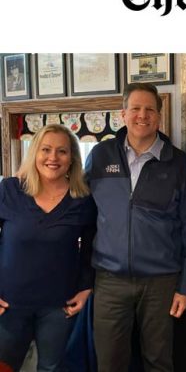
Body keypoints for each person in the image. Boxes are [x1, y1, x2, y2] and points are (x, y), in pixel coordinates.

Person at [85, 83, 186, 372]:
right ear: (123, 114)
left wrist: (185, 287)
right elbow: (81, 213)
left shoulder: (178, 162)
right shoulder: (100, 156)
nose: (142, 115)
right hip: (109, 279)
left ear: (159, 116)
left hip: (161, 282)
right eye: (135, 108)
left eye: (150, 109)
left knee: (159, 361)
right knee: (110, 362)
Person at [0, 124, 97, 371]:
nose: (53, 158)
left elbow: (89, 251)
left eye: (62, 151)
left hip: (59, 307)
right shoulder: (9, 190)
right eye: (46, 149)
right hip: (9, 306)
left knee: (52, 368)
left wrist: (87, 288)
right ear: (34, 153)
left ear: (72, 158)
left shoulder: (82, 199)